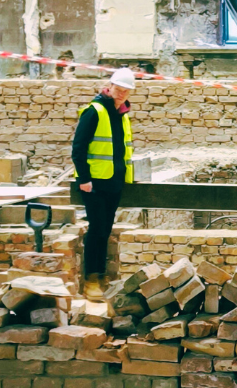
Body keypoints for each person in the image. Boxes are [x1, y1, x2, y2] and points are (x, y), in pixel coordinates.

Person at [71, 68, 136, 299]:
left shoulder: (123, 114)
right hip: (95, 183)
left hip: (114, 181)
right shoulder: (94, 111)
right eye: (119, 89)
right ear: (110, 86)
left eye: (126, 91)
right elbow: (78, 148)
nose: (122, 94)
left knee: (105, 230)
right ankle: (91, 280)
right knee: (97, 230)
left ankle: (100, 276)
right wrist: (84, 179)